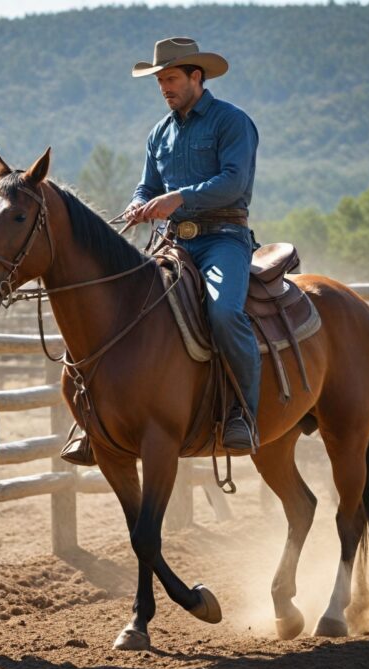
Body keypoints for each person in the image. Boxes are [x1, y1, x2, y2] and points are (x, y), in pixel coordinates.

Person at [125, 36, 261, 451]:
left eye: (171, 78)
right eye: (159, 80)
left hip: (223, 239)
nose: (164, 87)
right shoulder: (158, 134)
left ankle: (244, 413)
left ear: (195, 77)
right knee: (124, 309)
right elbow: (147, 185)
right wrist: (139, 203)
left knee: (223, 314)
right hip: (173, 245)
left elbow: (234, 181)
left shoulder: (231, 121)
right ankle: (113, 412)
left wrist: (179, 197)